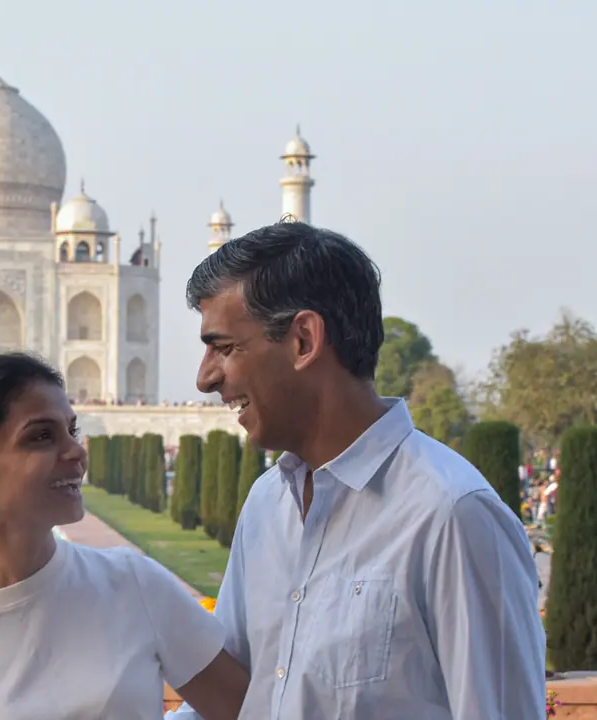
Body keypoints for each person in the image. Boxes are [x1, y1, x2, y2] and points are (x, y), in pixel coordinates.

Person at [168, 221, 544, 719]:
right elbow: (245, 698)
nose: (205, 376)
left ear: (303, 339)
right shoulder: (268, 504)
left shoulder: (449, 514)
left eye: (224, 347)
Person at [0, 353, 248, 720]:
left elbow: (247, 712)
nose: (76, 451)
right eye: (41, 436)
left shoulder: (132, 585)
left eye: (71, 431)